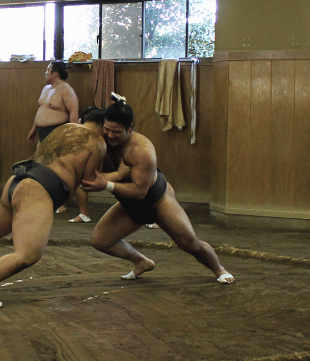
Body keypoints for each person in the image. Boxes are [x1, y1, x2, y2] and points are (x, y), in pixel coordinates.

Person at [81, 94, 235, 284]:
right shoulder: (102, 140)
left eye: (117, 132)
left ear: (130, 129)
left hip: (157, 200)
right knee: (100, 240)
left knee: (189, 243)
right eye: (107, 129)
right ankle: (142, 262)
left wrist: (107, 184)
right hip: (129, 204)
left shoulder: (142, 150)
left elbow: (140, 191)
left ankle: (220, 270)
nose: (110, 135)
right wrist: (116, 176)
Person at [0, 122, 106, 308]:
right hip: (38, 190)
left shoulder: (65, 128)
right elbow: (89, 181)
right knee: (27, 254)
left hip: (19, 179)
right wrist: (117, 178)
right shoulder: (97, 142)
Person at [27, 61, 79, 147]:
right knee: (39, 159)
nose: (45, 73)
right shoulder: (46, 88)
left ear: (55, 73)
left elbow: (74, 111)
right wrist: (34, 129)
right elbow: (41, 109)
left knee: (53, 160)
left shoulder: (66, 89)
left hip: (56, 133)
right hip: (41, 133)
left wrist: (72, 135)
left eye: (48, 70)